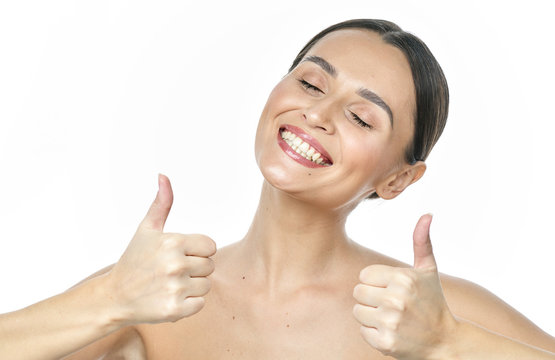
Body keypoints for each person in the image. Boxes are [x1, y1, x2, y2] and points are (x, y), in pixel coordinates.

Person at [1, 19, 554, 360]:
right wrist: (109, 299)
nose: (318, 113)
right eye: (311, 82)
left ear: (398, 179)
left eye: (362, 118)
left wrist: (450, 345)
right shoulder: (146, 291)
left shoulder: (433, 314)